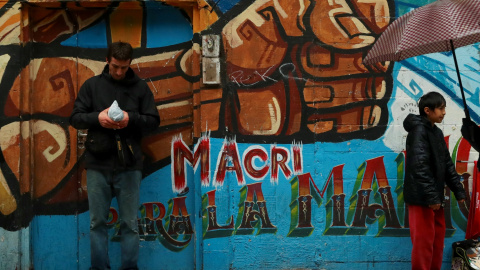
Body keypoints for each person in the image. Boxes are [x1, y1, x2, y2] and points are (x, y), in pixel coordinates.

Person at [69, 41, 160, 270]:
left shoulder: (140, 88)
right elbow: (75, 118)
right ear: (107, 61)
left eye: (124, 67)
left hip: (130, 166)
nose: (119, 72)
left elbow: (153, 122)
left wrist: (132, 118)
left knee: (130, 223)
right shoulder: (92, 86)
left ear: (130, 63)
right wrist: (97, 118)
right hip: (97, 165)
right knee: (97, 223)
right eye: (115, 66)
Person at [403, 91, 466, 270]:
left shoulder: (436, 132)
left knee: (437, 243)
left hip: (435, 198)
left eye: (444, 108)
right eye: (441, 108)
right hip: (422, 198)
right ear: (427, 110)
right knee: (423, 245)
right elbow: (419, 167)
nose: (444, 112)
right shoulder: (419, 132)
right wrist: (431, 197)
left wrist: (458, 190)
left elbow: (446, 164)